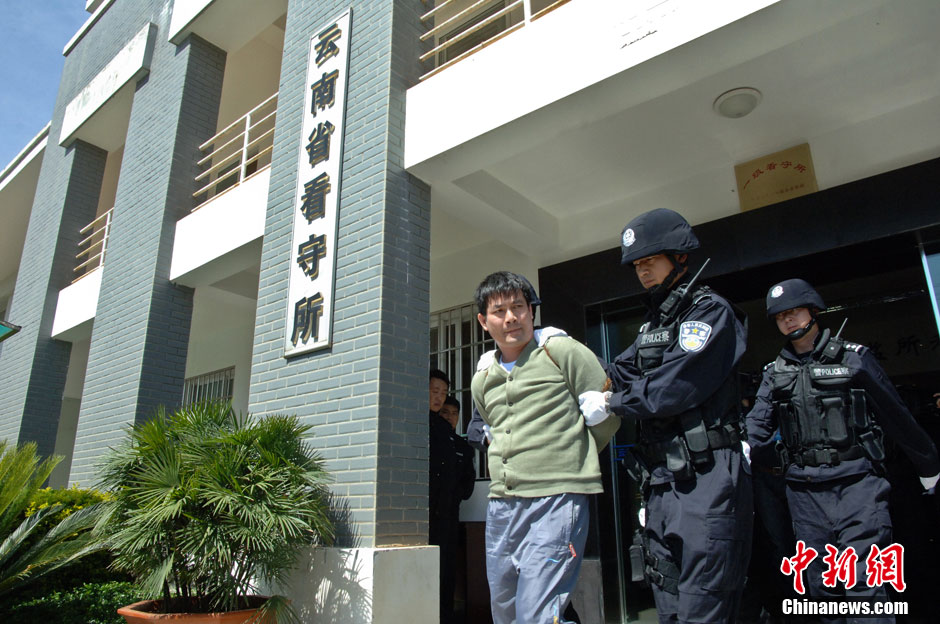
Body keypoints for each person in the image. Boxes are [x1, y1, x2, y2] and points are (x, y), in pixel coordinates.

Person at [580, 208, 752, 624]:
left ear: (680, 257)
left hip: (706, 477)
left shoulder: (710, 313)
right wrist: (555, 350)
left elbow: (677, 384)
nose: (642, 271)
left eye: (650, 261)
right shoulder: (652, 326)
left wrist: (613, 403)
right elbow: (616, 371)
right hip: (661, 481)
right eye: (637, 265)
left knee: (703, 603)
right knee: (668, 600)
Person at [746, 278, 940, 623]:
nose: (788, 320)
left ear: (813, 310)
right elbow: (755, 432)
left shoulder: (854, 358)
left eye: (795, 311)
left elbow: (896, 415)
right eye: (780, 316)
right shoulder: (774, 373)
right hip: (804, 493)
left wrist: (929, 467)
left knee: (865, 584)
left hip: (857, 486)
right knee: (823, 589)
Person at [471, 271, 620, 624]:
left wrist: (571, 457)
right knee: (505, 610)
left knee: (537, 612)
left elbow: (607, 414)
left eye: (519, 307)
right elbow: (493, 428)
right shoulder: (483, 378)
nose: (511, 317)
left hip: (557, 498)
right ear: (484, 322)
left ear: (531, 311)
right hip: (502, 504)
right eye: (499, 311)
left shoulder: (561, 351)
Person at [429, 369, 476, 624]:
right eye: (434, 391)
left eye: (443, 393)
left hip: (449, 516)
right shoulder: (421, 423)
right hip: (426, 515)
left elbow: (465, 482)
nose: (439, 397)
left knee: (446, 570)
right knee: (428, 571)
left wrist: (453, 497)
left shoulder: (452, 438)